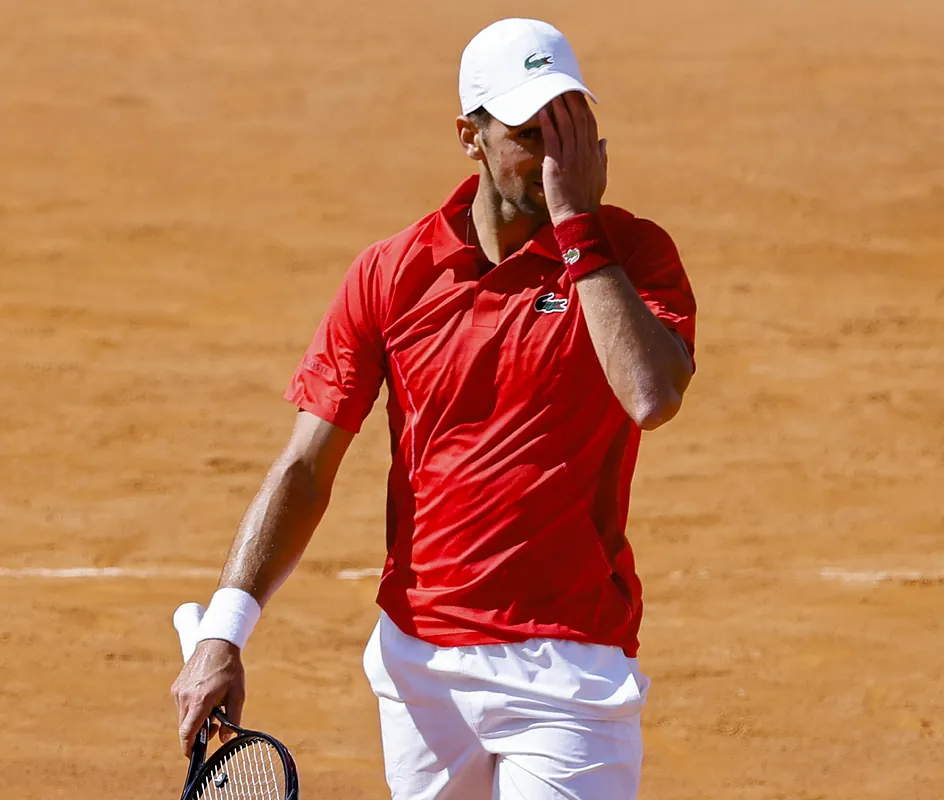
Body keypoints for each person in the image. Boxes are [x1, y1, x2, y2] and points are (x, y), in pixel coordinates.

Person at [171, 16, 697, 799]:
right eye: (528, 130)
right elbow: (307, 466)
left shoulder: (634, 256)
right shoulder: (391, 273)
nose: (554, 155)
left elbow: (651, 396)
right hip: (419, 669)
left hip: (570, 667)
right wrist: (223, 633)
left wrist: (580, 229)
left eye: (570, 125)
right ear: (470, 136)